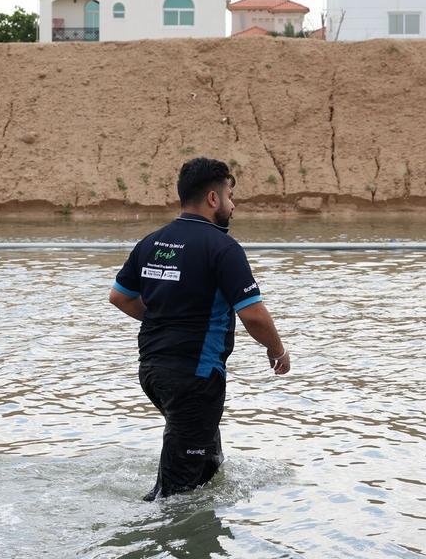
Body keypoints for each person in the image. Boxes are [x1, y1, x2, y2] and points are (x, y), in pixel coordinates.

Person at [109, 156, 290, 501]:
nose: (233, 206)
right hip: (195, 378)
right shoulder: (223, 248)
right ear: (212, 198)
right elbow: (253, 315)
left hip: (152, 371)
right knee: (175, 497)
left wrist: (164, 318)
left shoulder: (153, 242)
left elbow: (120, 296)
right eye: (230, 197)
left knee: (207, 463)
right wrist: (277, 350)